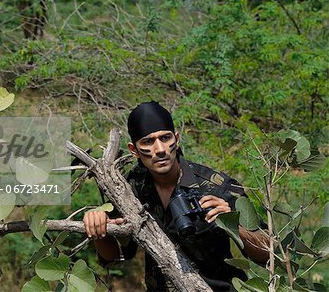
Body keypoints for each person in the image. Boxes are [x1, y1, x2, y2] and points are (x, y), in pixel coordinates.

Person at [83, 101, 269, 291]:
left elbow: (268, 253)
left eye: (165, 138)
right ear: (134, 150)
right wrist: (99, 230)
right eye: (148, 141)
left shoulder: (217, 186)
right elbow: (114, 257)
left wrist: (232, 226)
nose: (160, 149)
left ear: (177, 139)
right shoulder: (130, 188)